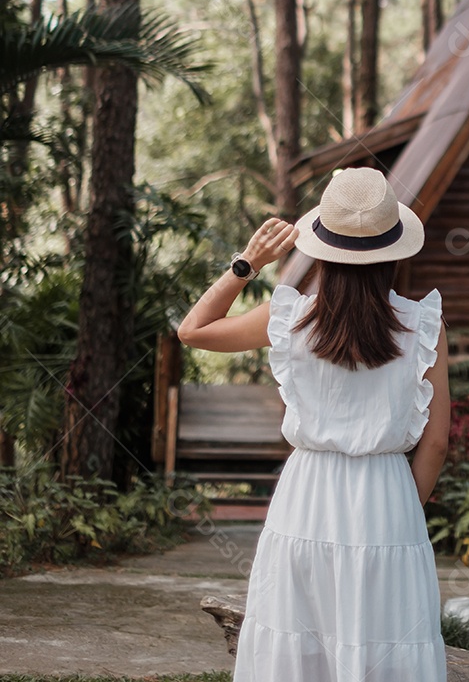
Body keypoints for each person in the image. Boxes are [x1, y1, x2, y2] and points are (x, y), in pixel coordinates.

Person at [178, 167, 450, 681]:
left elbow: (193, 331)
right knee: (387, 637)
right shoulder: (424, 326)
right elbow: (436, 443)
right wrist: (399, 511)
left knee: (296, 637)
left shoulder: (289, 319)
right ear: (391, 251)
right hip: (388, 494)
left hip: (306, 496)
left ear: (323, 246)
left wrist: (248, 264)